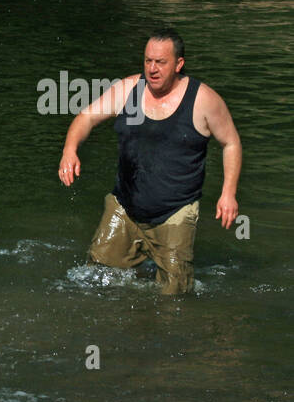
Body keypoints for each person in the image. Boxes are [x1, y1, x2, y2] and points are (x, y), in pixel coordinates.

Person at [58, 28, 242, 294]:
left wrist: (228, 193)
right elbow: (86, 117)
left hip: (175, 213)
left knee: (174, 296)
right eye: (148, 61)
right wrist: (70, 149)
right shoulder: (129, 89)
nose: (152, 69)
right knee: (95, 280)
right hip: (125, 207)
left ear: (179, 64)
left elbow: (231, 143)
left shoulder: (203, 100)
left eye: (161, 62)